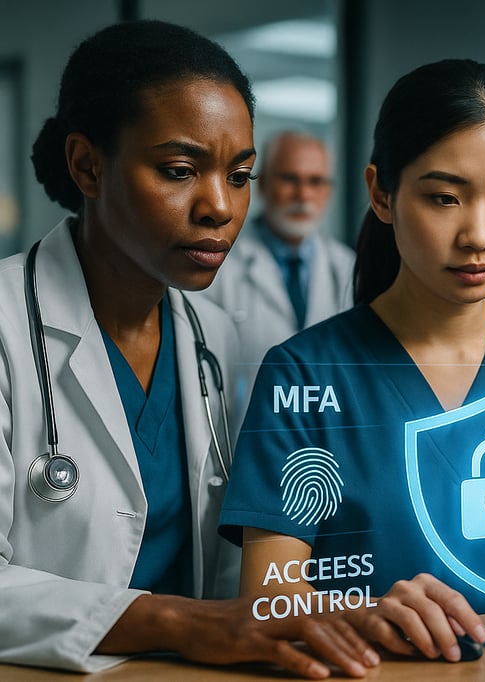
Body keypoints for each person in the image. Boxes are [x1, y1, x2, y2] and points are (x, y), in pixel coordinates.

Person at [0, 20, 378, 678]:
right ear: (87, 165)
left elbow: (230, 562)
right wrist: (177, 621)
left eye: (239, 175)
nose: (219, 207)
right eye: (180, 170)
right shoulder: (7, 324)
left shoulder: (210, 333)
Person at [219, 59, 485, 664]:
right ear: (381, 193)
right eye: (444, 198)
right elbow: (268, 598)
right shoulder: (305, 373)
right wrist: (363, 610)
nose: (479, 234)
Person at [200, 130, 356, 414]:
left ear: (328, 191)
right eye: (289, 179)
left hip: (325, 445)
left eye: (315, 181)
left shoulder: (348, 269)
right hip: (245, 442)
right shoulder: (221, 269)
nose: (303, 194)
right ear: (262, 186)